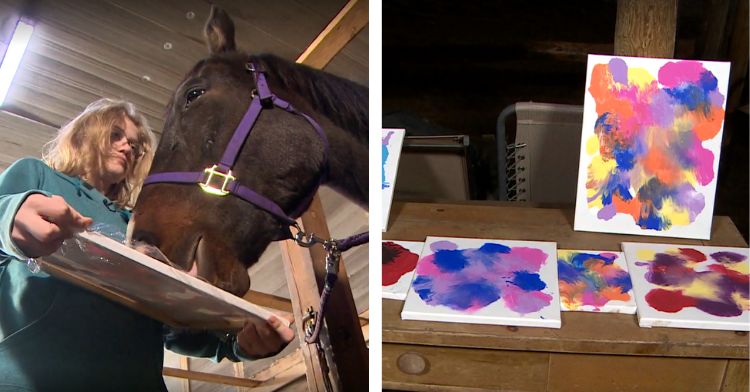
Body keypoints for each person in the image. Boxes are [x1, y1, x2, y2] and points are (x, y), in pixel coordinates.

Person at [0, 98, 294, 391]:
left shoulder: (138, 223)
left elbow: (170, 325)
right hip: (35, 377)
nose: (128, 147)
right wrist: (10, 215)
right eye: (116, 135)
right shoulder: (37, 177)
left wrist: (239, 344)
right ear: (85, 134)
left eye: (135, 145)